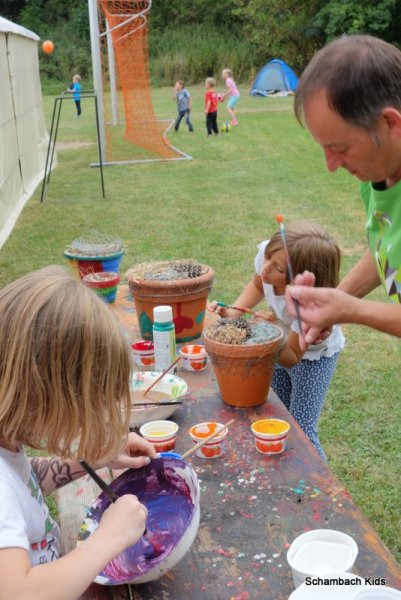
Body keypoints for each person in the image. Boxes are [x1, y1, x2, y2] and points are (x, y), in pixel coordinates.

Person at [0, 266, 157, 600]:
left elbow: (23, 484)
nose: (86, 422)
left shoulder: (6, 441)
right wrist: (108, 538)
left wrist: (91, 460)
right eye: (86, 409)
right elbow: (17, 593)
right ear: (42, 391)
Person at [285, 34, 401, 346]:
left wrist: (352, 309)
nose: (331, 165)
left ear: (390, 125)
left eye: (340, 148)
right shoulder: (377, 175)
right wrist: (334, 303)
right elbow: (388, 249)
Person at [208, 222, 345, 460]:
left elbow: (292, 357)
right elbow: (257, 284)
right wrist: (231, 314)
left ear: (301, 282)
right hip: (281, 343)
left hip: (312, 358)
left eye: (278, 268)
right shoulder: (272, 255)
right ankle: (282, 468)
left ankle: (317, 480)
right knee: (276, 415)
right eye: (268, 257)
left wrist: (272, 333)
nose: (266, 267)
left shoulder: (309, 305)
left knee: (302, 428)